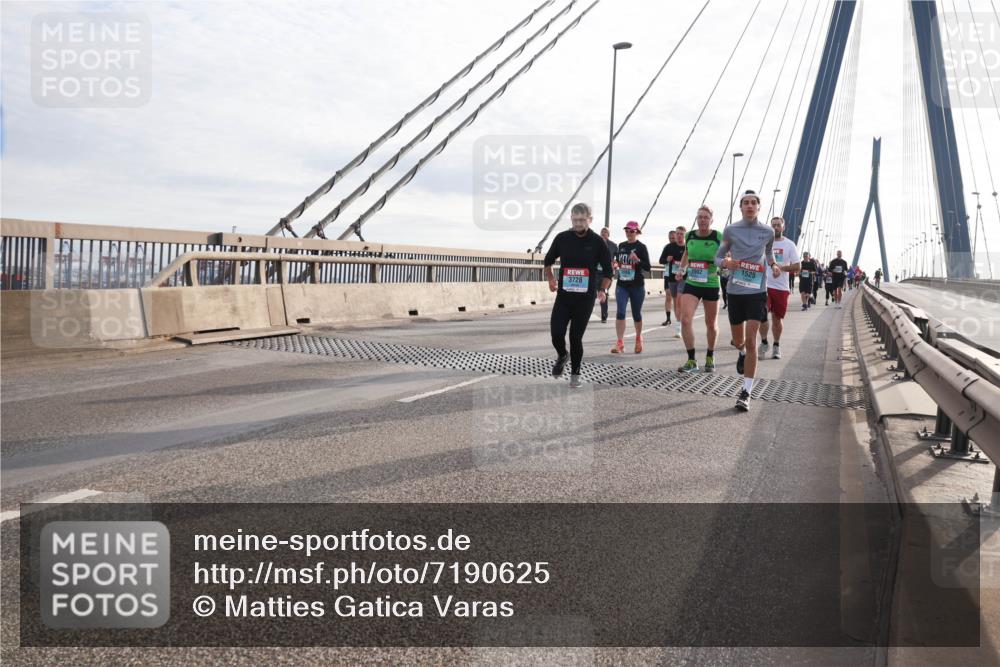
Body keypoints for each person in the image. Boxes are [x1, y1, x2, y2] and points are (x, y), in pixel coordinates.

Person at [716, 190, 778, 412]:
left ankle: (746, 392)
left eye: (754, 203)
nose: (750, 206)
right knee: (738, 340)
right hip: (735, 292)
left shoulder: (768, 231)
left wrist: (774, 265)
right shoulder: (731, 230)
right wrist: (725, 263)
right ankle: (741, 353)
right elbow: (718, 255)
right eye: (746, 203)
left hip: (756, 292)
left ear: (759, 208)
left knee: (752, 341)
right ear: (740, 207)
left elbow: (769, 253)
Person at [544, 202, 613, 388]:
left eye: (582, 220)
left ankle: (575, 375)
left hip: (585, 298)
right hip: (564, 297)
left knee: (575, 337)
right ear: (571, 218)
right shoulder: (562, 238)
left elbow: (608, 271)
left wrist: (603, 289)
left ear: (590, 220)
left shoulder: (598, 242)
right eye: (575, 219)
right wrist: (551, 279)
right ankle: (562, 354)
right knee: (556, 333)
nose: (578, 223)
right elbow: (548, 261)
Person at [675, 205, 722, 373]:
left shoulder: (718, 236)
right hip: (693, 282)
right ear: (696, 219)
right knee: (685, 319)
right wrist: (681, 270)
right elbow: (686, 254)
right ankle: (692, 359)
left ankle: (710, 355)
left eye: (706, 217)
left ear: (711, 220)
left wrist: (724, 264)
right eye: (700, 217)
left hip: (710, 283)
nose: (703, 220)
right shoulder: (690, 236)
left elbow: (726, 256)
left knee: (711, 324)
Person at [758, 216, 800, 360]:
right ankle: (764, 342)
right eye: (773, 225)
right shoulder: (763, 244)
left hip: (781, 287)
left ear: (783, 227)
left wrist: (780, 267)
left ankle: (776, 345)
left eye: (778, 225)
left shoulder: (790, 245)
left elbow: (797, 266)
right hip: (763, 285)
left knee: (776, 318)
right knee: (761, 315)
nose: (775, 227)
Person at [611, 221, 652, 354]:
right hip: (622, 284)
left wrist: (637, 260)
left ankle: (639, 338)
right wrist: (615, 264)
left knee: (636, 314)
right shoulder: (621, 246)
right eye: (627, 230)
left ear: (637, 232)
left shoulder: (641, 247)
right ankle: (620, 342)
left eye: (632, 231)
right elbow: (617, 261)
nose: (629, 233)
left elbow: (647, 267)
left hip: (637, 285)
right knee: (620, 312)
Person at [659, 230, 683, 329]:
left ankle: (680, 320)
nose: (671, 240)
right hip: (668, 275)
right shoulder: (667, 247)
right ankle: (668, 318)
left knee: (678, 299)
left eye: (673, 238)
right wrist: (666, 260)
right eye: (670, 238)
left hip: (680, 276)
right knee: (668, 296)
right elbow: (661, 260)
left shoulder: (682, 247)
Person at [596, 227, 618, 323]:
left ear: (608, 235)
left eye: (605, 232)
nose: (603, 233)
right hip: (596, 273)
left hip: (607, 274)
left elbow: (618, 259)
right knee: (593, 293)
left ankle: (604, 315)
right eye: (602, 232)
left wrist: (615, 264)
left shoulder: (613, 246)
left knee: (603, 292)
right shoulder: (595, 244)